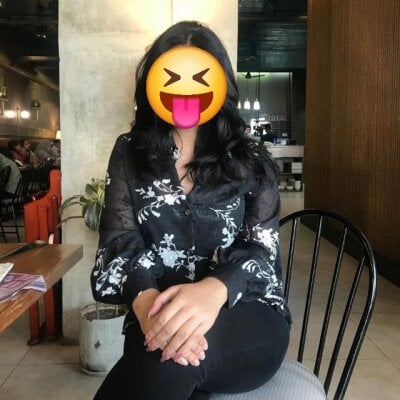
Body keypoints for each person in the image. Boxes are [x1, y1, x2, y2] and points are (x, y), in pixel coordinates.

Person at [92, 21, 290, 400]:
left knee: (166, 362)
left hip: (246, 312)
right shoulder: (129, 152)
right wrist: (146, 304)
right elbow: (118, 243)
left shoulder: (249, 159)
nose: (186, 90)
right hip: (156, 313)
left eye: (200, 77)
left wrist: (213, 291)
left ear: (220, 83)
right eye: (172, 77)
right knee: (170, 359)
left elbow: (262, 251)